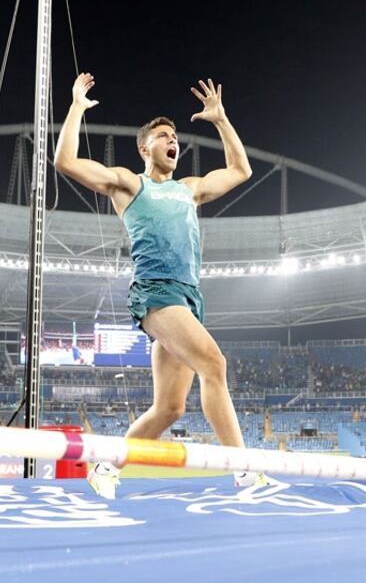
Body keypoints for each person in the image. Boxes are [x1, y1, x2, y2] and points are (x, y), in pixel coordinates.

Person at [55, 73, 260, 498]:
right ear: (144, 148)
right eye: (164, 136)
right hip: (156, 293)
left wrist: (220, 120)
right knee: (214, 365)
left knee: (169, 408)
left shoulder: (190, 189)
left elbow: (241, 170)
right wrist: (76, 107)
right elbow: (66, 162)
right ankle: (245, 472)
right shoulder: (131, 183)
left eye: (175, 137)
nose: (173, 141)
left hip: (187, 298)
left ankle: (105, 468)